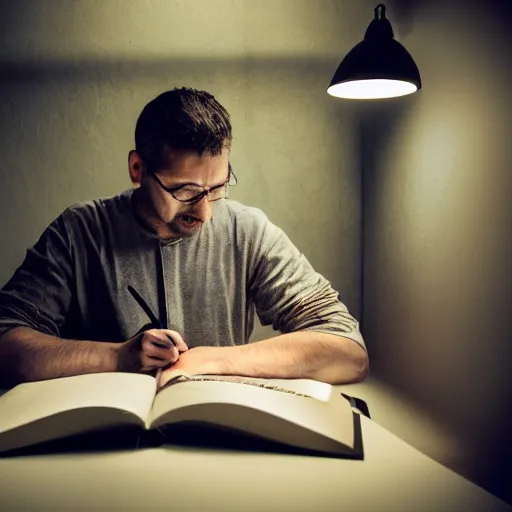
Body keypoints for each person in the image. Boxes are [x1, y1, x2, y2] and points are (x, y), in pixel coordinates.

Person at [0, 87, 368, 389]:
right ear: (137, 169)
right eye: (185, 191)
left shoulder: (249, 231)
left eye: (217, 188)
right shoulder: (79, 231)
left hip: (217, 445)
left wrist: (211, 360)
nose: (205, 211)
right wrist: (117, 357)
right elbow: (6, 340)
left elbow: (348, 351)